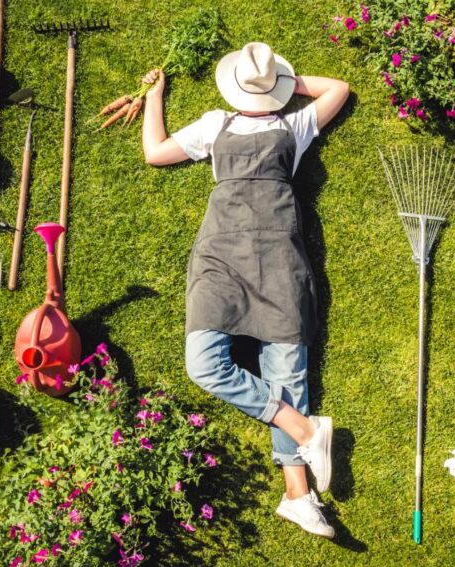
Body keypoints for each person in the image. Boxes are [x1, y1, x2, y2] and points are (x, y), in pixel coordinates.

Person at [141, 42, 349, 538]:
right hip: (222, 257)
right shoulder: (217, 124)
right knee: (203, 364)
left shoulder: (293, 127)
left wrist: (279, 86)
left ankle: (298, 495)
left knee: (287, 371)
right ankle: (303, 429)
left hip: (279, 255)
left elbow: (340, 89)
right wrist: (155, 96)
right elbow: (155, 153)